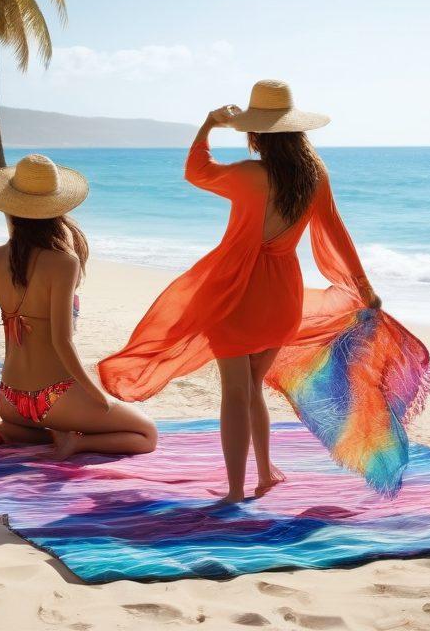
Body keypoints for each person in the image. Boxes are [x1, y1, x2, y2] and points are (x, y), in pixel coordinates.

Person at [98, 80, 383, 503]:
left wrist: (208, 125)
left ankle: (235, 490)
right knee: (253, 386)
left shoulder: (249, 176)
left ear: (255, 134)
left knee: (236, 392)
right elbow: (336, 233)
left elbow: (196, 171)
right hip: (282, 295)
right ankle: (265, 473)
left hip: (236, 288)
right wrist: (364, 288)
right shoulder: (315, 177)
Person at [0, 154, 157, 459]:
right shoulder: (63, 262)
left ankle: (43, 432)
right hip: (54, 397)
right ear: (57, 208)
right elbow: (63, 342)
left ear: (11, 208)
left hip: (10, 401)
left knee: (43, 428)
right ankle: (78, 443)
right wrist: (95, 393)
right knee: (146, 434)